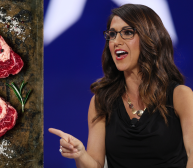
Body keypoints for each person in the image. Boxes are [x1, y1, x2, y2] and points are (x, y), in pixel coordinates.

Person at [49, 4, 193, 168]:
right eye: (112, 34)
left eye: (127, 33)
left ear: (150, 38)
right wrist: (80, 154)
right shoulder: (102, 101)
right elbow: (95, 164)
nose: (116, 41)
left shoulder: (180, 96)